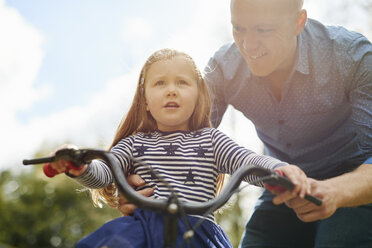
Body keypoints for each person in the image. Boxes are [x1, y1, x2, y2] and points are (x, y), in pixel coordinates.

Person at [120, 0, 372, 247]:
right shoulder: (224, 68)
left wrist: (334, 192)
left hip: (351, 182)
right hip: (280, 187)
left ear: (298, 22)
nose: (248, 45)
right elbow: (182, 140)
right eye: (239, 28)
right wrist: (138, 185)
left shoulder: (350, 56)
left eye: (264, 30)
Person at [46, 48, 310, 248]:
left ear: (198, 96)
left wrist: (281, 170)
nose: (171, 90)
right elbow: (104, 171)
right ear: (145, 99)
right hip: (143, 230)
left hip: (200, 231)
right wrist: (78, 163)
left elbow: (247, 162)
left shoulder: (211, 140)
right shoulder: (135, 143)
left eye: (182, 83)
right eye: (160, 83)